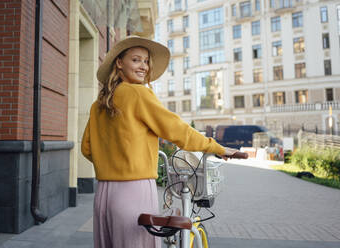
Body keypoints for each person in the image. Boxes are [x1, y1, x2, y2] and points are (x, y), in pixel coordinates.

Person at [81, 36, 239, 248]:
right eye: (136, 60)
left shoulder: (98, 105)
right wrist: (217, 147)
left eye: (146, 61)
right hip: (134, 191)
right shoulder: (138, 94)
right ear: (119, 63)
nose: (144, 67)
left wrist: (111, 162)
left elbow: (87, 148)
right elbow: (178, 130)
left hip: (103, 195)